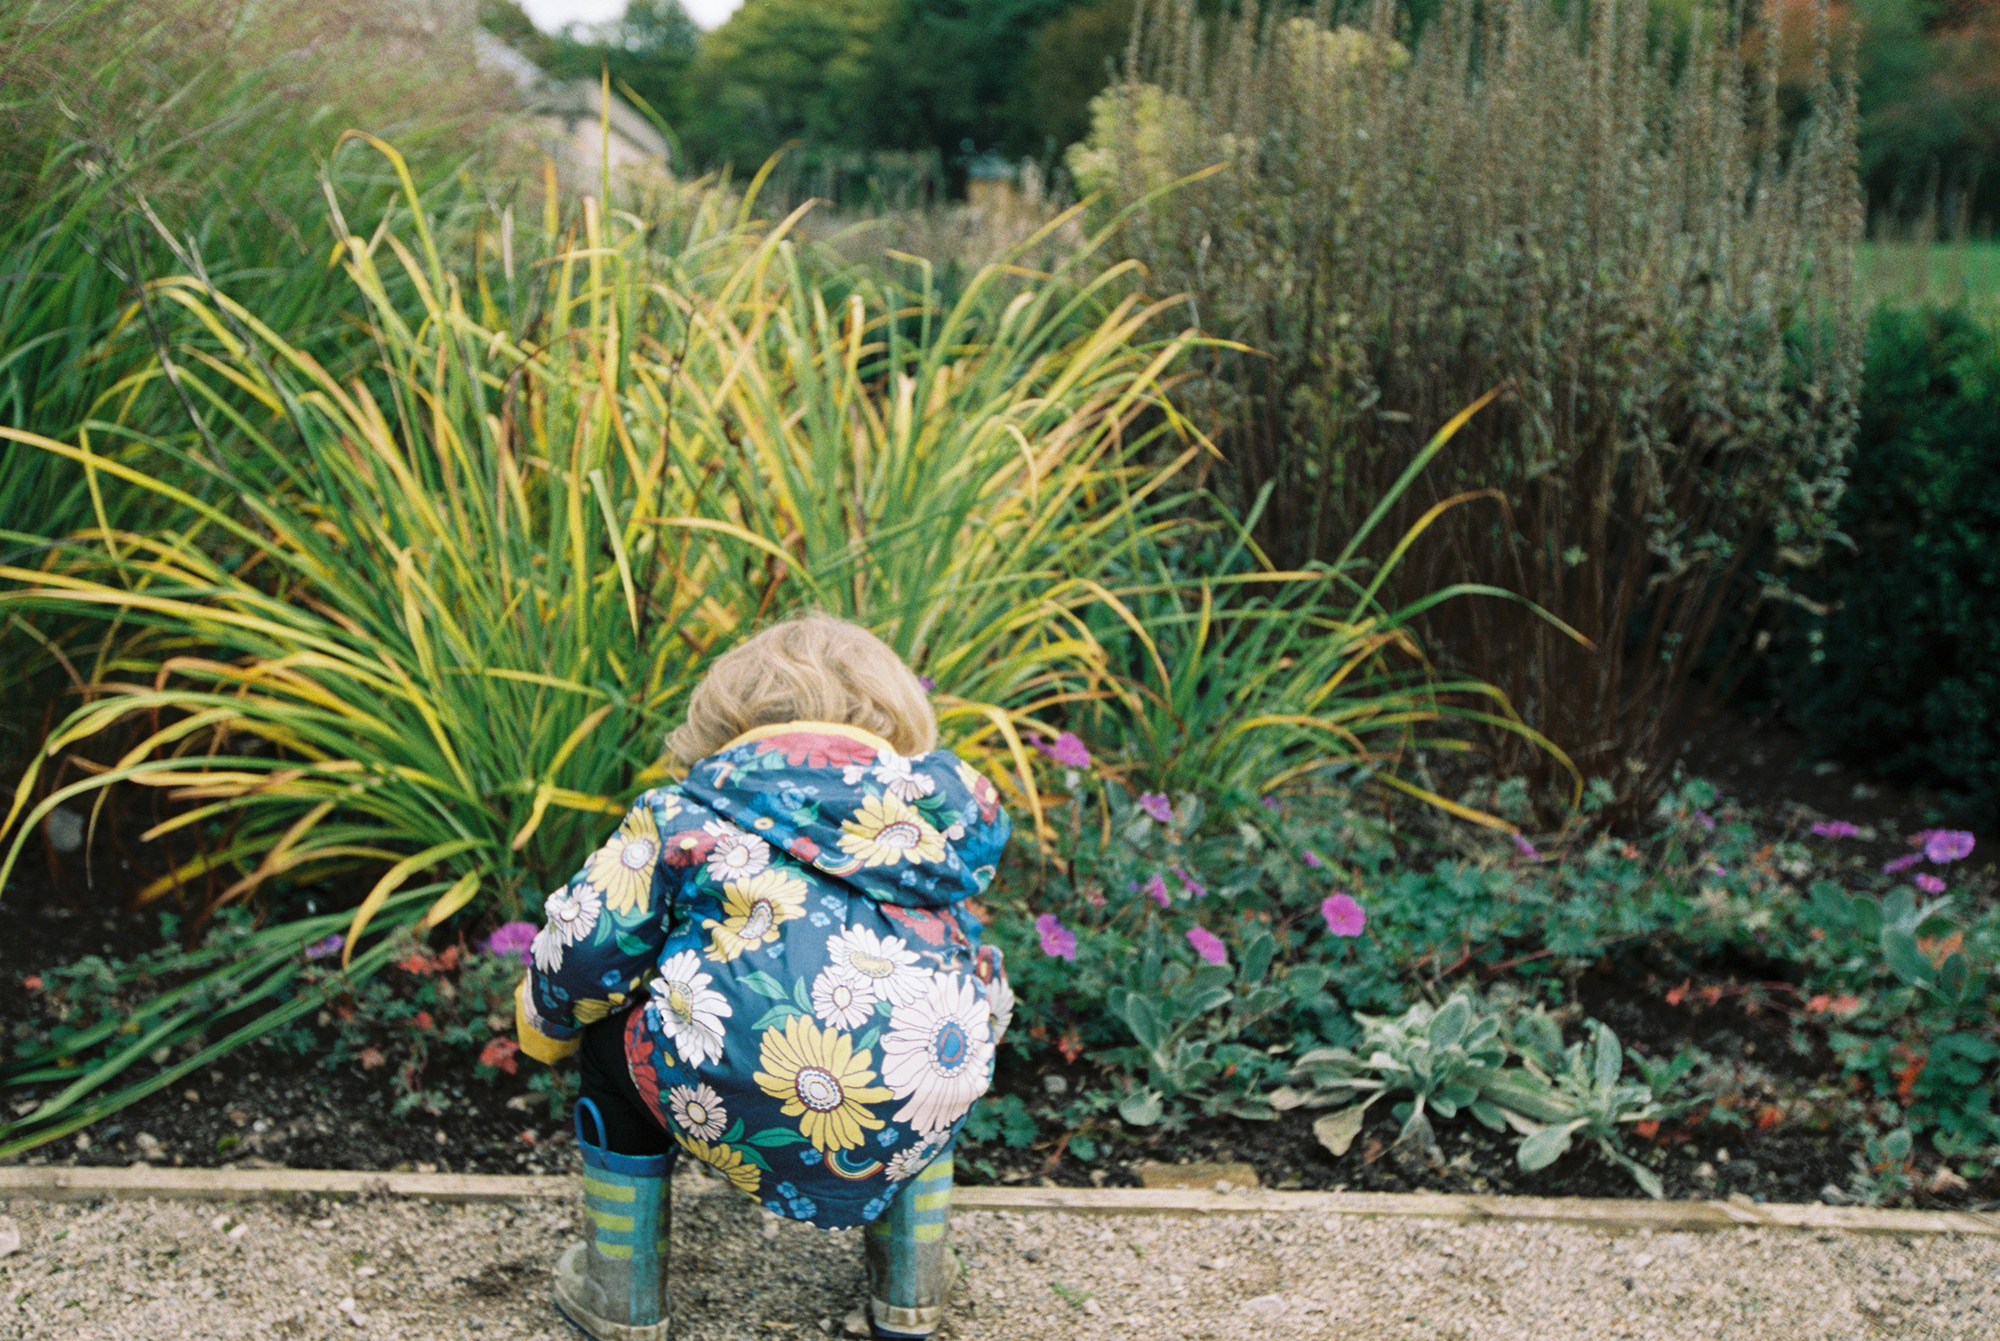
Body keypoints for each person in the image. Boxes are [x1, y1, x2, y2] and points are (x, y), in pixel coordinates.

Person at [515, 614, 1014, 1341]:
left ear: (725, 720)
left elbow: (588, 949)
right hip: (919, 1086)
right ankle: (913, 1288)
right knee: (935, 1028)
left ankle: (621, 1297)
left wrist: (543, 1021)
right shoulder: (933, 826)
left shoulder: (684, 814)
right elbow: (967, 952)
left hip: (731, 1085)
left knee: (603, 1038)